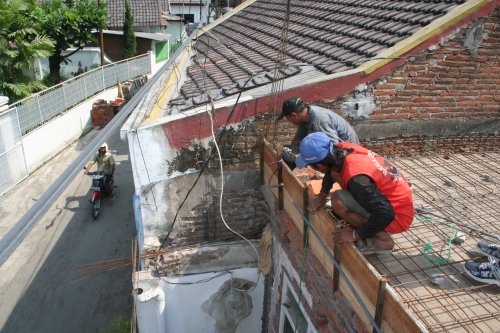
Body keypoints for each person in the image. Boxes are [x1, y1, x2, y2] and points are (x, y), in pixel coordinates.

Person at [295, 132, 414, 254]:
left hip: (397, 216)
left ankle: (383, 240)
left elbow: (386, 213)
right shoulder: (342, 148)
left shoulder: (355, 178)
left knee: (338, 201)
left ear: (319, 165)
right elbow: (331, 170)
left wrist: (355, 234)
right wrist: (322, 194)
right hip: (394, 198)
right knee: (337, 175)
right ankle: (365, 224)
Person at [277, 96, 359, 211]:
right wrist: (289, 162)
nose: (289, 122)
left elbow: (332, 154)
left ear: (294, 115)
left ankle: (352, 203)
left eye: (288, 119)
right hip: (334, 150)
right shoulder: (305, 116)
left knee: (336, 173)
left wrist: (322, 195)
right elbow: (296, 143)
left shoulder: (320, 121)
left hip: (347, 151)